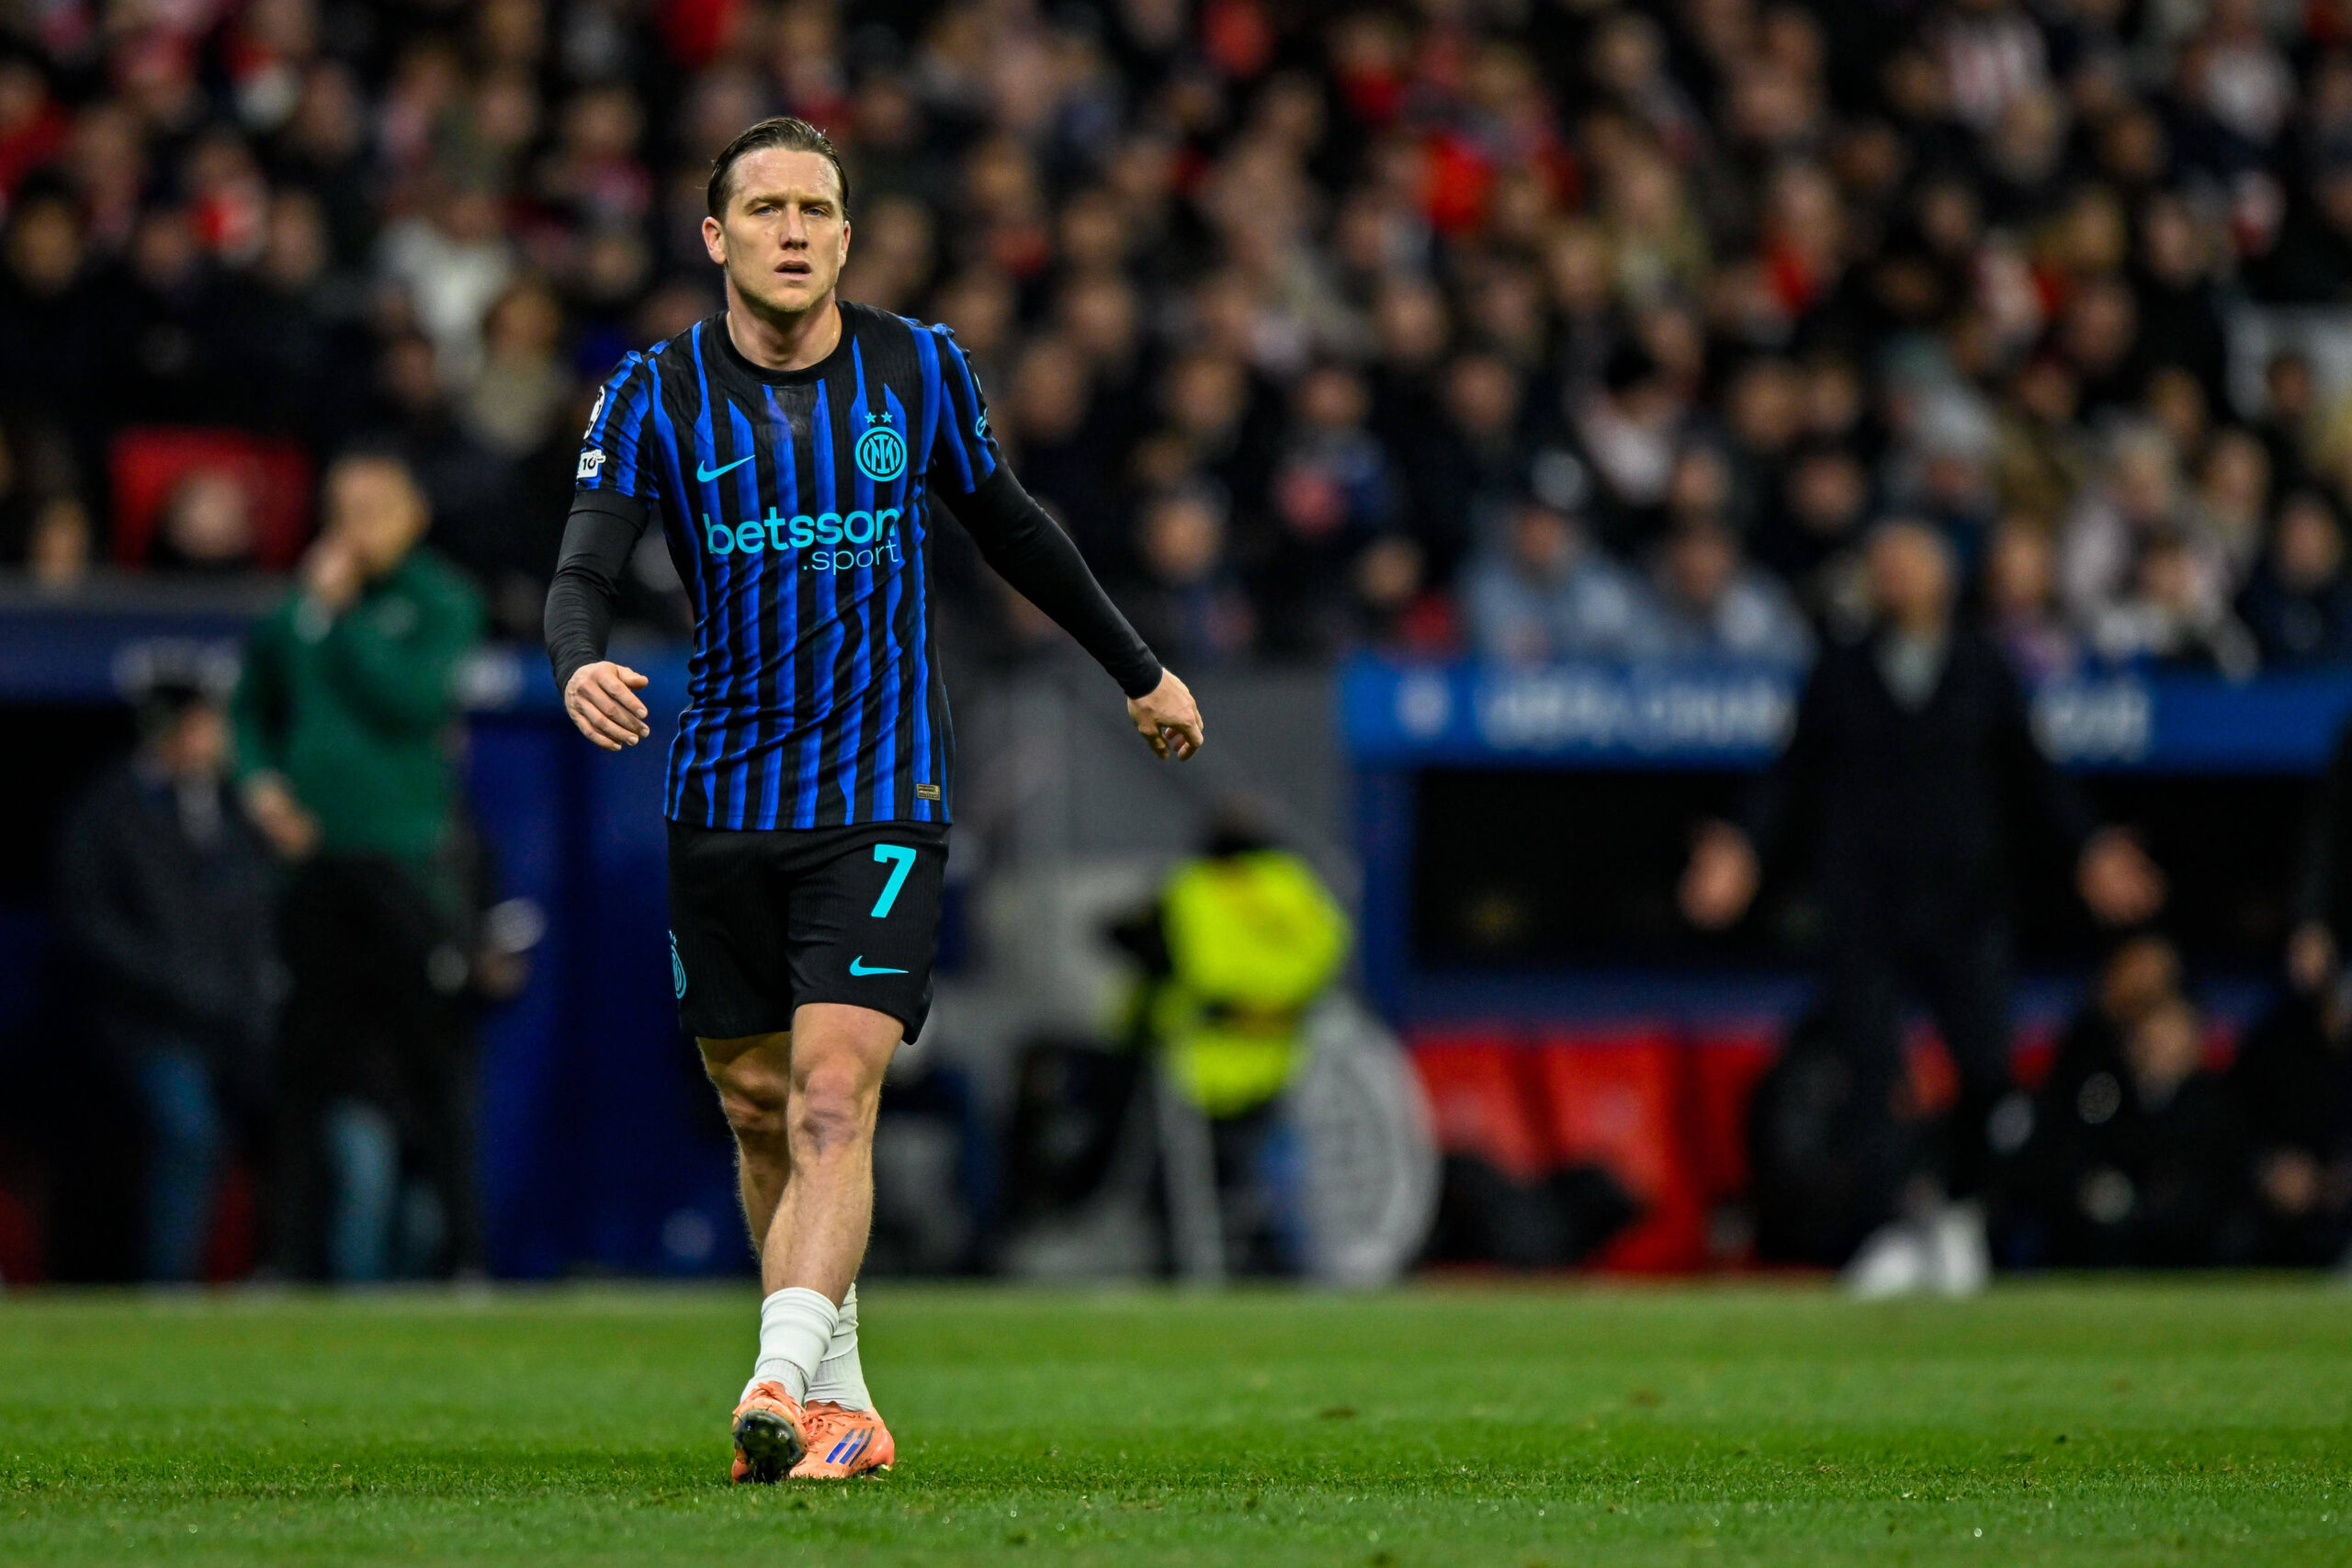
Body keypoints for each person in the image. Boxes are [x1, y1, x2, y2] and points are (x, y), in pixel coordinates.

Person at [541, 118, 1203, 1484]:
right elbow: (582, 567)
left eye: (819, 208)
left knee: (838, 1094)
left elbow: (1012, 521)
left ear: (848, 236)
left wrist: (1139, 669)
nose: (795, 229)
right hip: (720, 794)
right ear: (717, 238)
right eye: (767, 207)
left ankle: (777, 1375)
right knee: (759, 1103)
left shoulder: (921, 366)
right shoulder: (651, 393)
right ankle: (842, 1399)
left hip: (881, 792)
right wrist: (576, 663)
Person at [1679, 520, 2165, 1295]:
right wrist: (1739, 846)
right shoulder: (1839, 667)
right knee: (1868, 1072)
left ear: (1943, 575)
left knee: (1985, 1071)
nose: (1894, 575)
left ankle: (1961, 1212)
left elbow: (2037, 775)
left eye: (1909, 561)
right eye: (1883, 563)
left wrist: (2092, 847)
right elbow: (1788, 772)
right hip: (1865, 903)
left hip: (1965, 904)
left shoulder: (1982, 664)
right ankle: (1885, 1231)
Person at [232, 450, 487, 1282]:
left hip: (403, 862)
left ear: (414, 511)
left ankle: (462, 1259)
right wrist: (260, 783)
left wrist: (338, 618)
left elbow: (410, 700)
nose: (356, 524)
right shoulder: (296, 612)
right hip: (312, 866)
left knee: (433, 1065)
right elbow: (248, 708)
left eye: (375, 504)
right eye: (342, 506)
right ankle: (293, 1259)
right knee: (301, 1067)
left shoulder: (440, 600)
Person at [55, 672, 277, 1281]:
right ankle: (167, 1288)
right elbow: (90, 921)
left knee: (287, 1128)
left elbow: (252, 906)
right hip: (146, 1022)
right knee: (188, 1133)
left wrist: (252, 986)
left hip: (232, 1020)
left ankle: (274, 1275)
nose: (220, 737)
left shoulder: (229, 805)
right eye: (208, 724)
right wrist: (176, 983)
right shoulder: (108, 809)